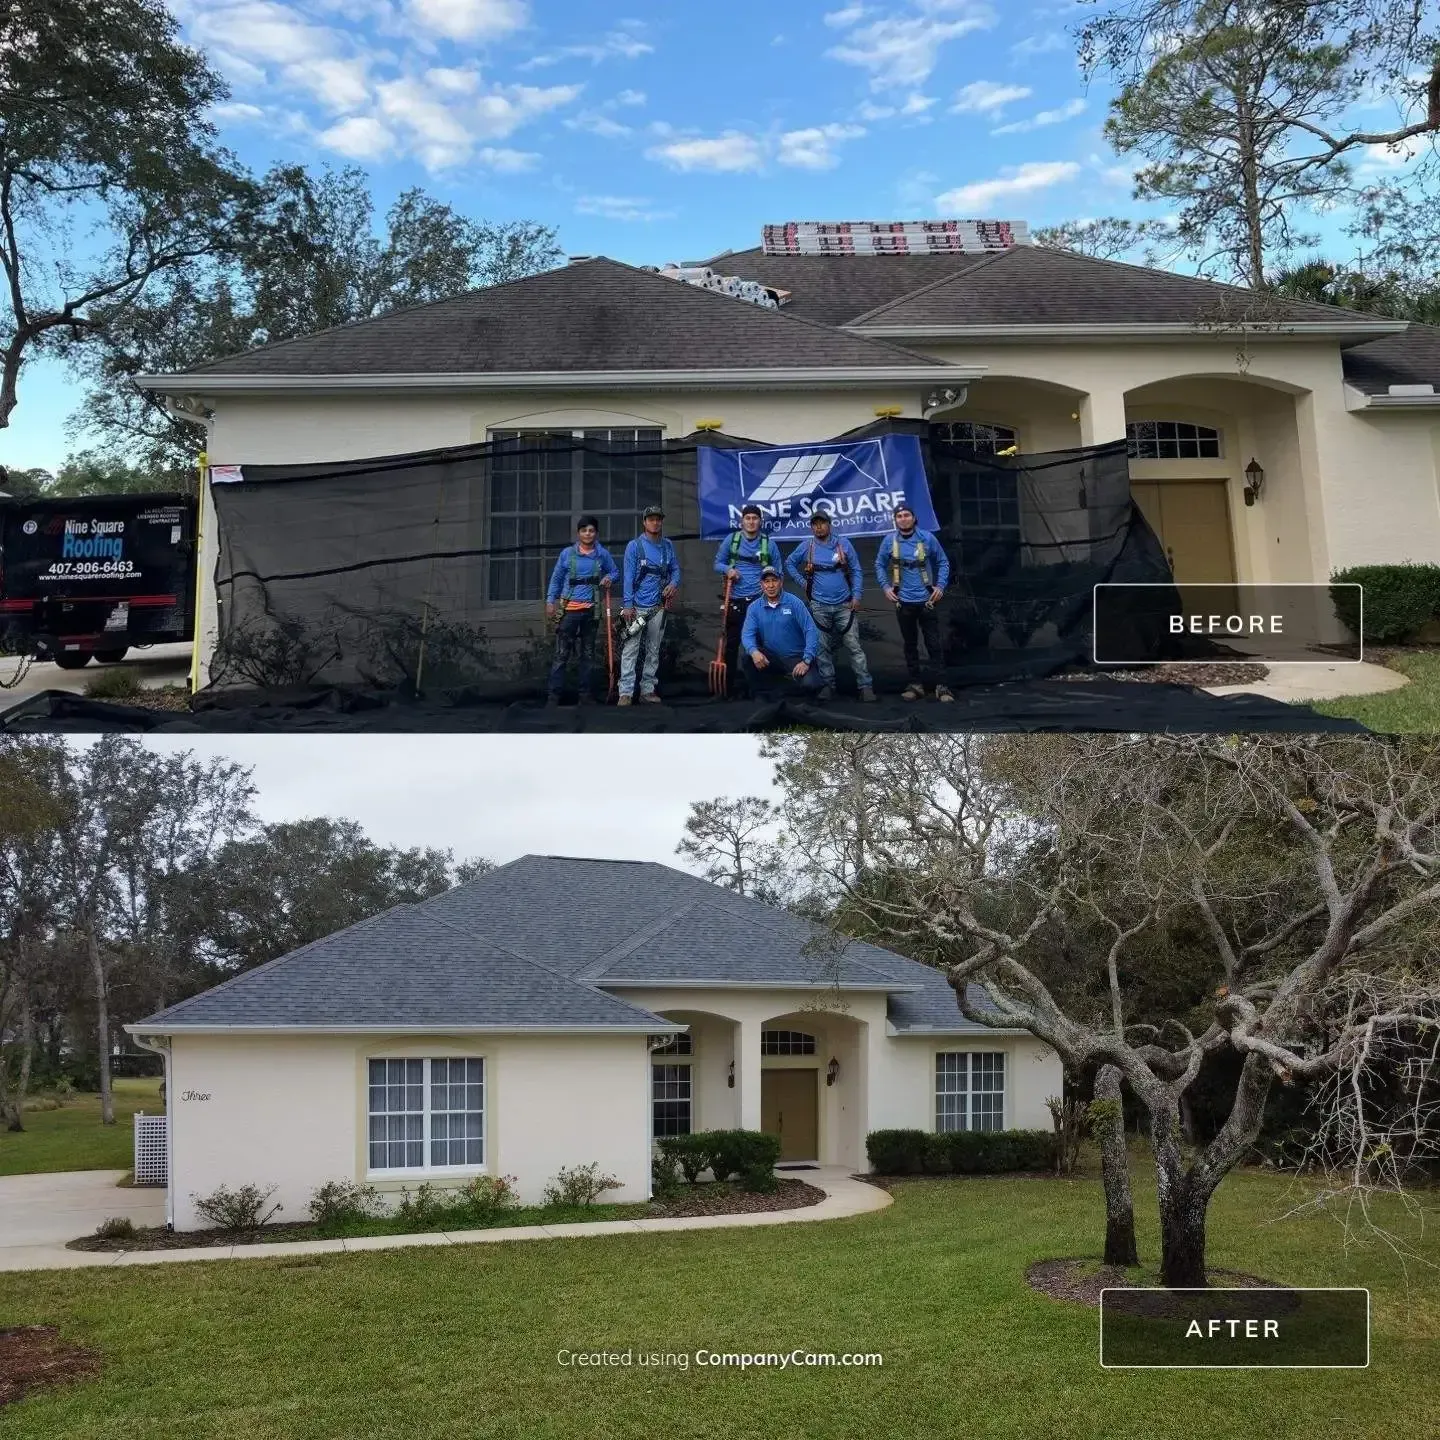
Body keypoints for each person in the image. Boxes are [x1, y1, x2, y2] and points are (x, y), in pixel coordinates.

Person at [785, 509, 875, 702]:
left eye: (822, 523)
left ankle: (865, 686)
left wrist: (857, 596)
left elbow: (857, 571)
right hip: (819, 606)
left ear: (829, 524)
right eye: (815, 524)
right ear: (811, 527)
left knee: (854, 647)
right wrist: (804, 583)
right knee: (822, 649)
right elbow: (789, 563)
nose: (819, 527)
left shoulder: (843, 544)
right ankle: (828, 686)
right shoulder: (807, 546)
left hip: (845, 605)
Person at [877, 503, 954, 702]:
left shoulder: (927, 538)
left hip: (927, 601)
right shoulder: (889, 541)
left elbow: (943, 562)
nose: (903, 518)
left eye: (906, 515)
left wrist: (941, 586)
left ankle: (942, 686)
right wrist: (886, 587)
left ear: (914, 518)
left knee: (934, 645)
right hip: (903, 601)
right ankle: (915, 684)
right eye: (899, 516)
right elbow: (879, 564)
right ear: (895, 520)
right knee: (910, 645)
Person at [545, 515, 620, 706]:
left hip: (591, 611)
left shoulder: (602, 554)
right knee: (562, 654)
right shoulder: (567, 554)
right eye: (584, 530)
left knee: (587, 655)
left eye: (591, 530)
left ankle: (585, 696)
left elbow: (615, 572)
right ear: (578, 533)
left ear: (596, 533)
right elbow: (556, 578)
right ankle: (554, 697)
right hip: (569, 611)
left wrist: (608, 578)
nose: (588, 533)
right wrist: (550, 601)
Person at [712, 503, 778, 697]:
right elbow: (718, 563)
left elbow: (779, 570)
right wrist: (728, 570)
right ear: (742, 521)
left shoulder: (768, 543)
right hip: (735, 600)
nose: (751, 522)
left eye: (755, 518)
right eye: (747, 518)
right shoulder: (731, 541)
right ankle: (728, 689)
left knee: (759, 644)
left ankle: (758, 689)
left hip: (759, 602)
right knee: (731, 645)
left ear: (760, 521)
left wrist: (770, 584)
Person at [619, 504, 680, 705]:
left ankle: (647, 690)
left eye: (658, 519)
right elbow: (628, 577)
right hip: (636, 606)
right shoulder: (635, 546)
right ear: (644, 522)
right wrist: (628, 605)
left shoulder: (667, 546)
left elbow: (676, 570)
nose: (655, 522)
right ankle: (625, 692)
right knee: (630, 650)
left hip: (658, 607)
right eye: (651, 519)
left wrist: (673, 583)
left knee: (653, 650)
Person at [740, 565, 823, 696]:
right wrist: (754, 651)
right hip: (773, 661)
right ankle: (761, 695)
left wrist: (806, 660)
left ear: (781, 582)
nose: (771, 585)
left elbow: (811, 631)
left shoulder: (795, 603)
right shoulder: (754, 608)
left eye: (774, 580)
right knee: (748, 657)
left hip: (797, 659)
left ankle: (788, 686)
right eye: (767, 581)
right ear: (761, 584)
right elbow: (747, 635)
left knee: (811, 686)